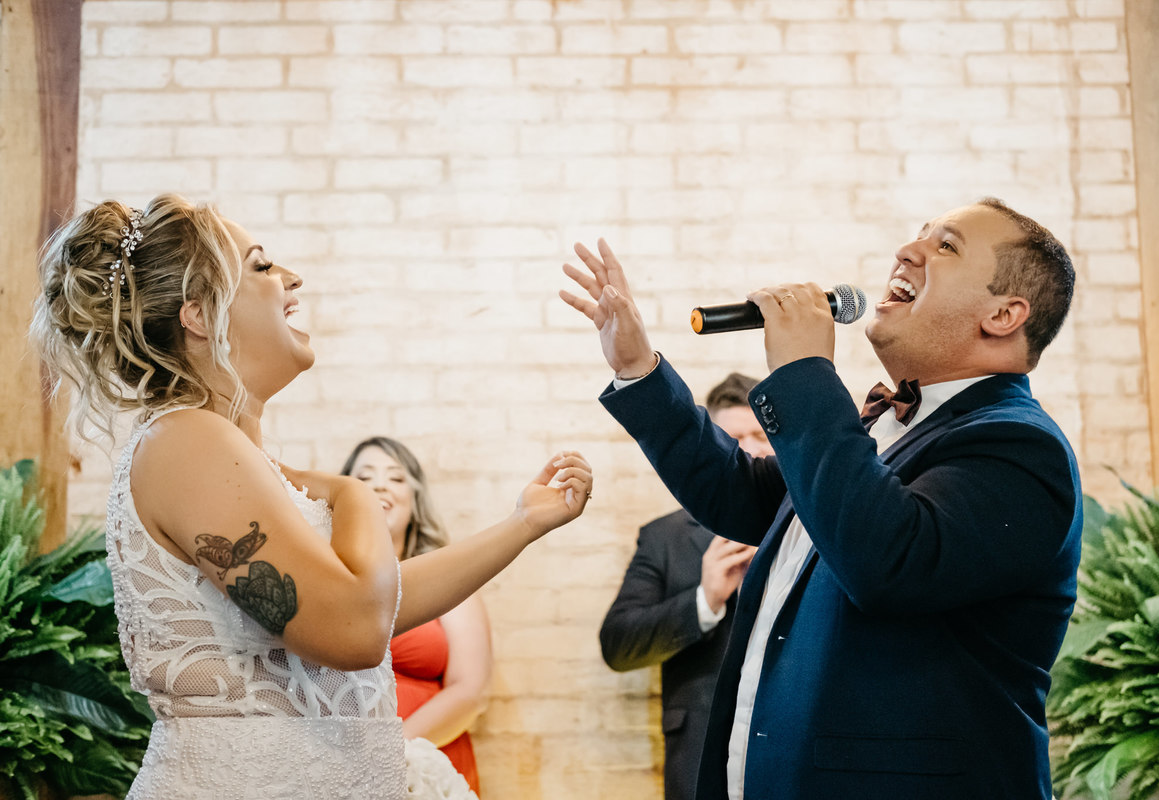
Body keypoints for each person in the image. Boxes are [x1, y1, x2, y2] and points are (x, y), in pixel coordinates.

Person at [29, 194, 592, 799]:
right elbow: (355, 631)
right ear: (198, 315)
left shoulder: (225, 456)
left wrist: (521, 524)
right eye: (262, 266)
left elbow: (375, 603)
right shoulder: (185, 441)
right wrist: (351, 493)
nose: (292, 278)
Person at [561, 198, 1081, 799]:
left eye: (945, 246)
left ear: (1004, 314)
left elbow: (888, 560)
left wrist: (805, 369)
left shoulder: (1018, 446)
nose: (907, 250)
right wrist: (637, 368)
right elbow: (741, 492)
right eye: (918, 236)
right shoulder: (879, 429)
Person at [598, 372, 771, 800]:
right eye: (735, 438)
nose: (750, 448)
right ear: (715, 447)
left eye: (760, 435)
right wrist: (703, 600)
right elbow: (618, 646)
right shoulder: (665, 537)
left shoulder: (817, 524)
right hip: (699, 757)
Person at [342, 436, 490, 795]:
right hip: (341, 762)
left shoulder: (450, 578)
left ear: (415, 498)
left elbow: (471, 690)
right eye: (364, 477)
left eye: (395, 477)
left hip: (430, 759)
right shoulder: (324, 577)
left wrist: (392, 751)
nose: (379, 485)